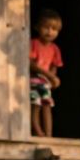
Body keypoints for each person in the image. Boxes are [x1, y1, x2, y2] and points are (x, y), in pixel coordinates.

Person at [29, 9, 63, 137]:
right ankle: (38, 132)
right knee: (36, 106)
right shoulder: (34, 44)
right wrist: (50, 76)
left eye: (54, 29)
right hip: (34, 81)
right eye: (46, 27)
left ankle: (48, 135)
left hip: (45, 83)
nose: (50, 32)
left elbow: (55, 66)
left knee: (47, 106)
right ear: (37, 27)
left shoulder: (55, 49)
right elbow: (31, 64)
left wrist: (52, 79)